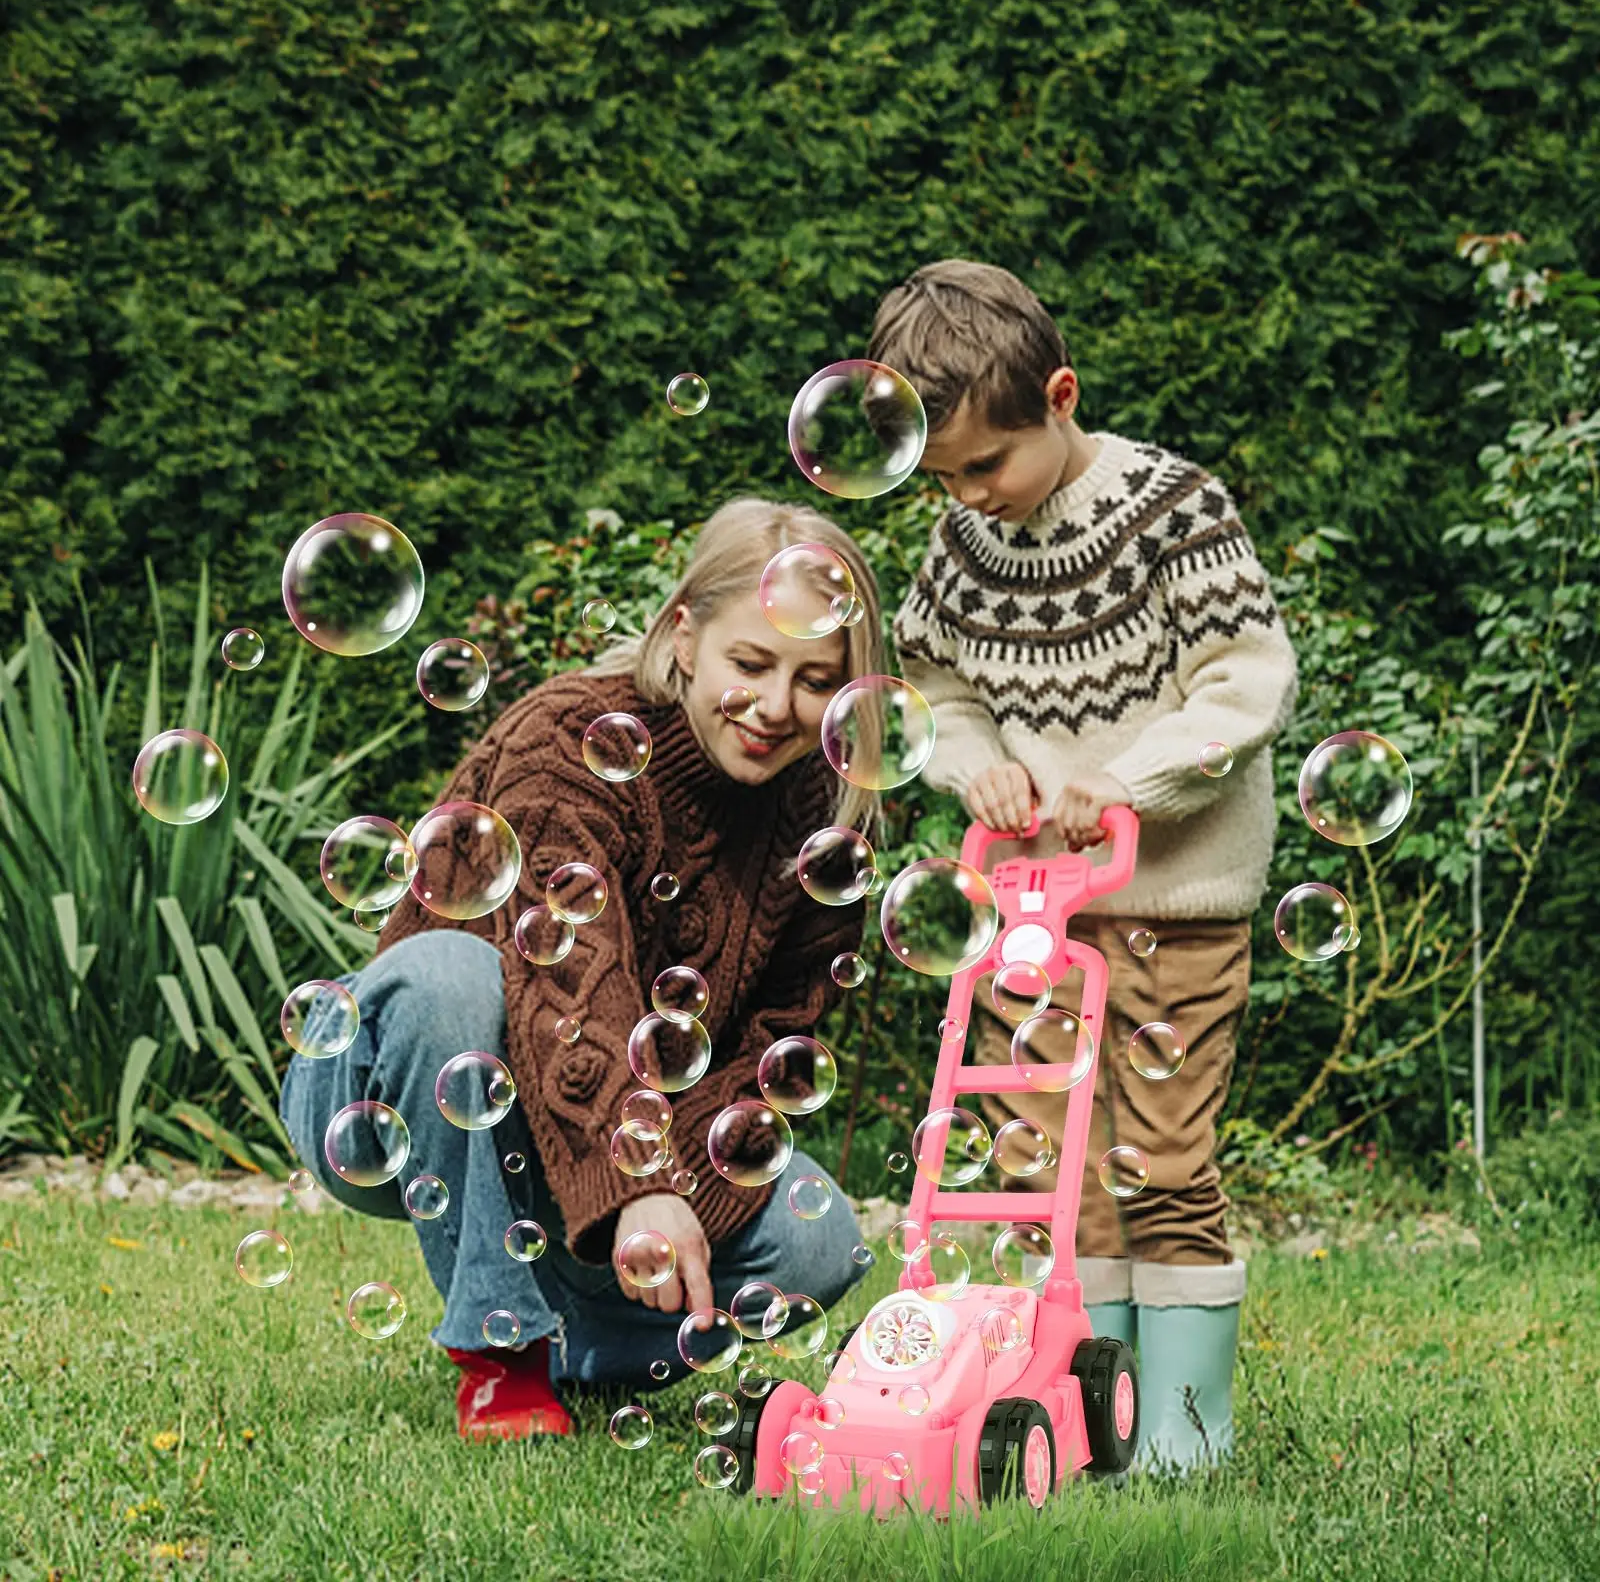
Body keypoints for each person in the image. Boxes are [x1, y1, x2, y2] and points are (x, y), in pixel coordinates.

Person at [280, 497, 885, 1442]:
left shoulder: (824, 824)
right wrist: (641, 1177)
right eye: (751, 663)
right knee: (453, 976)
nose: (776, 707)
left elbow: (773, 1053)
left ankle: (574, 1348)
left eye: (814, 681)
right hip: (395, 1088)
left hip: (588, 1137)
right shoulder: (568, 742)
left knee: (818, 1244)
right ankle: (500, 1355)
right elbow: (567, 981)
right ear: (684, 636)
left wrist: (671, 1187)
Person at [868, 259, 1299, 1475]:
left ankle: (1187, 1433)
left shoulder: (1173, 509)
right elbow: (936, 687)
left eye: (984, 464)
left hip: (1171, 900)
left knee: (1159, 1159)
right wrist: (974, 767)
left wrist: (1129, 779)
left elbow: (1248, 681)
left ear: (1058, 395)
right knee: (1044, 1162)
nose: (967, 497)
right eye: (941, 476)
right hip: (1031, 912)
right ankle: (1089, 1414)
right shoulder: (959, 550)